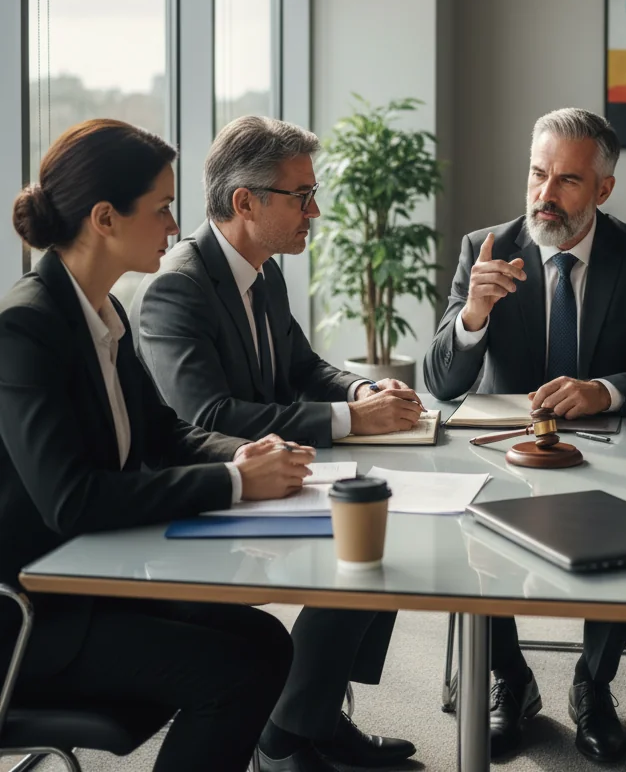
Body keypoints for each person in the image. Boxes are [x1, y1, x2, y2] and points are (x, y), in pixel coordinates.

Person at [0, 119, 313, 772]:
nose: (176, 226)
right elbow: (72, 499)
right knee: (234, 669)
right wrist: (233, 484)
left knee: (266, 642)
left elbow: (165, 433)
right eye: (163, 208)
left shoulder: (100, 311)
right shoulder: (27, 329)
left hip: (91, 583)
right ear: (105, 218)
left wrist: (243, 456)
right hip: (32, 620)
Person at [131, 116, 417, 772]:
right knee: (363, 543)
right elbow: (207, 414)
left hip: (272, 475)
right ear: (245, 202)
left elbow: (306, 368)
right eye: (301, 196)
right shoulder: (177, 287)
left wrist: (362, 395)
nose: (315, 211)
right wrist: (349, 424)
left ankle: (307, 722)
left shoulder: (264, 271)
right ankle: (289, 734)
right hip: (208, 496)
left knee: (384, 526)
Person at [424, 107, 626, 762]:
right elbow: (440, 380)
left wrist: (601, 390)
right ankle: (510, 679)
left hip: (607, 452)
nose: (545, 196)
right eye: (537, 175)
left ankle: (594, 681)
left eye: (568, 181)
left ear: (603, 189)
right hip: (503, 452)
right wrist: (473, 315)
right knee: (466, 516)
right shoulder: (485, 248)